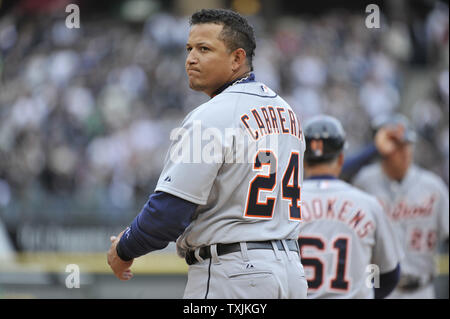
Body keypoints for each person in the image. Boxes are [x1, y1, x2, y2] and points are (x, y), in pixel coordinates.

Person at [107, 8, 308, 299]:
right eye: (189, 48)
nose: (190, 58)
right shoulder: (287, 112)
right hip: (291, 273)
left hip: (235, 274)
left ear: (237, 58)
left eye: (204, 49)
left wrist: (123, 249)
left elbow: (167, 214)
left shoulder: (212, 115)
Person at [298, 115, 402, 298]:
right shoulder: (369, 205)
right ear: (340, 159)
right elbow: (390, 275)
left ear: (304, 160)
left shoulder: (286, 204)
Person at [352, 113, 449, 299]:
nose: (405, 152)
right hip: (379, 290)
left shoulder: (433, 187)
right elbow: (334, 177)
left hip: (421, 289)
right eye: (397, 145)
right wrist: (372, 149)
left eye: (407, 144)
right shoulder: (364, 182)